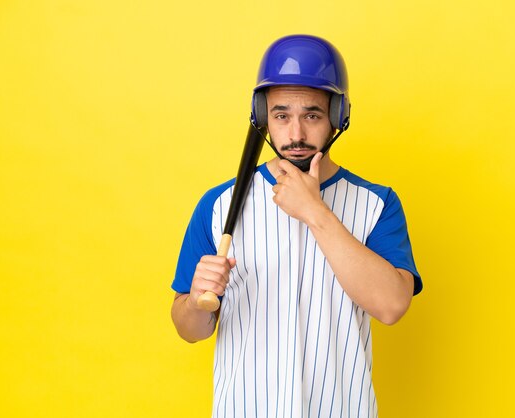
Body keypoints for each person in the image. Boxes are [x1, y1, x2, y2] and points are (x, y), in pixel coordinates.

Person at [171, 34, 423, 418]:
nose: (296, 135)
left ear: (337, 115)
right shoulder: (219, 204)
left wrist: (315, 212)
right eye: (282, 115)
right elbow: (190, 329)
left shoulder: (378, 204)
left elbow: (391, 306)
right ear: (263, 117)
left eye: (312, 115)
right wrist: (195, 300)